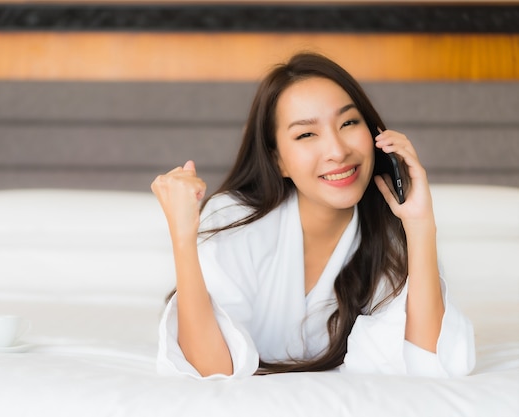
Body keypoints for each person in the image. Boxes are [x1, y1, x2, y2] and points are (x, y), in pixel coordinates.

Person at [150, 52, 475, 379]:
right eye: (306, 134)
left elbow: (427, 362)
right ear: (279, 161)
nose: (338, 150)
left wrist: (420, 225)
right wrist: (182, 237)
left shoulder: (391, 235)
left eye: (348, 123)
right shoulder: (233, 220)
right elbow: (212, 370)